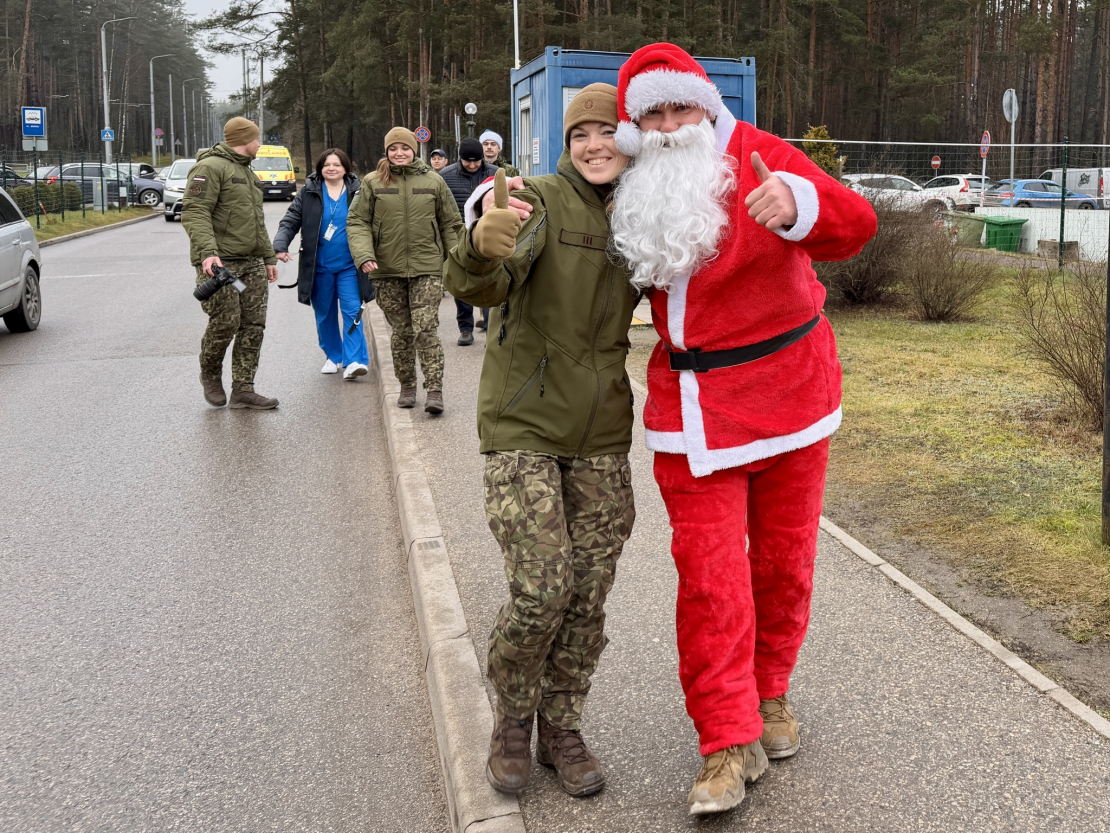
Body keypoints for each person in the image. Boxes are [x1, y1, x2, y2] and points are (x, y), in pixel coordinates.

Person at [607, 43, 878, 815]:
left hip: (792, 394)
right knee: (711, 580)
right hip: (692, 410)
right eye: (651, 114)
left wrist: (797, 206)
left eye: (679, 107)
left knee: (785, 567)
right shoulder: (629, 184)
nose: (667, 126)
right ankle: (724, 739)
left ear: (705, 105)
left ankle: (772, 694)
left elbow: (858, 222)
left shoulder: (761, 154)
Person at [445, 84, 637, 800]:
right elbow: (489, 279)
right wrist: (479, 249)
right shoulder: (540, 198)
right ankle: (512, 718)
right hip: (523, 423)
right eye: (582, 132)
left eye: (608, 131)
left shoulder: (641, 214)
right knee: (543, 586)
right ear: (567, 140)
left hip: (602, 431)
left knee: (588, 594)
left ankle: (561, 725)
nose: (595, 144)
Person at [347, 127, 462, 414]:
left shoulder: (433, 181)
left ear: (414, 150)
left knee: (426, 328)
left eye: (405, 148)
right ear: (386, 152)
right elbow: (357, 221)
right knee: (401, 332)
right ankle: (407, 385)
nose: (399, 153)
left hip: (428, 268)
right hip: (386, 270)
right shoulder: (373, 182)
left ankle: (434, 389)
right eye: (393, 148)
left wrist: (456, 261)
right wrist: (364, 255)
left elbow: (450, 223)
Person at [182, 116, 280, 410]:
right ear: (243, 139)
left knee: (253, 325)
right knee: (226, 322)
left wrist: (267, 258)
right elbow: (195, 212)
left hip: (251, 264)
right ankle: (210, 376)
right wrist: (208, 253)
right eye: (256, 138)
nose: (259, 143)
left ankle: (243, 389)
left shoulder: (248, 174)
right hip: (222, 266)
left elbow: (257, 222)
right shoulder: (209, 168)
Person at [273, 148, 369, 380]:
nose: (331, 168)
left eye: (336, 164)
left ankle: (354, 360)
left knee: (352, 309)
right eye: (327, 165)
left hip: (350, 266)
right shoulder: (309, 192)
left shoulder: (359, 192)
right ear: (320, 168)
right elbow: (290, 220)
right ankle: (333, 357)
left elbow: (374, 223)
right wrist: (280, 245)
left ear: (345, 168)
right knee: (324, 313)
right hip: (319, 266)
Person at [438, 137, 498, 345]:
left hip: (489, 234)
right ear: (459, 159)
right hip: (459, 236)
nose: (472, 165)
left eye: (476, 161)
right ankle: (465, 328)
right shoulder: (444, 177)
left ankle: (492, 324)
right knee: (463, 283)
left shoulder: (494, 173)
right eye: (467, 161)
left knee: (491, 280)